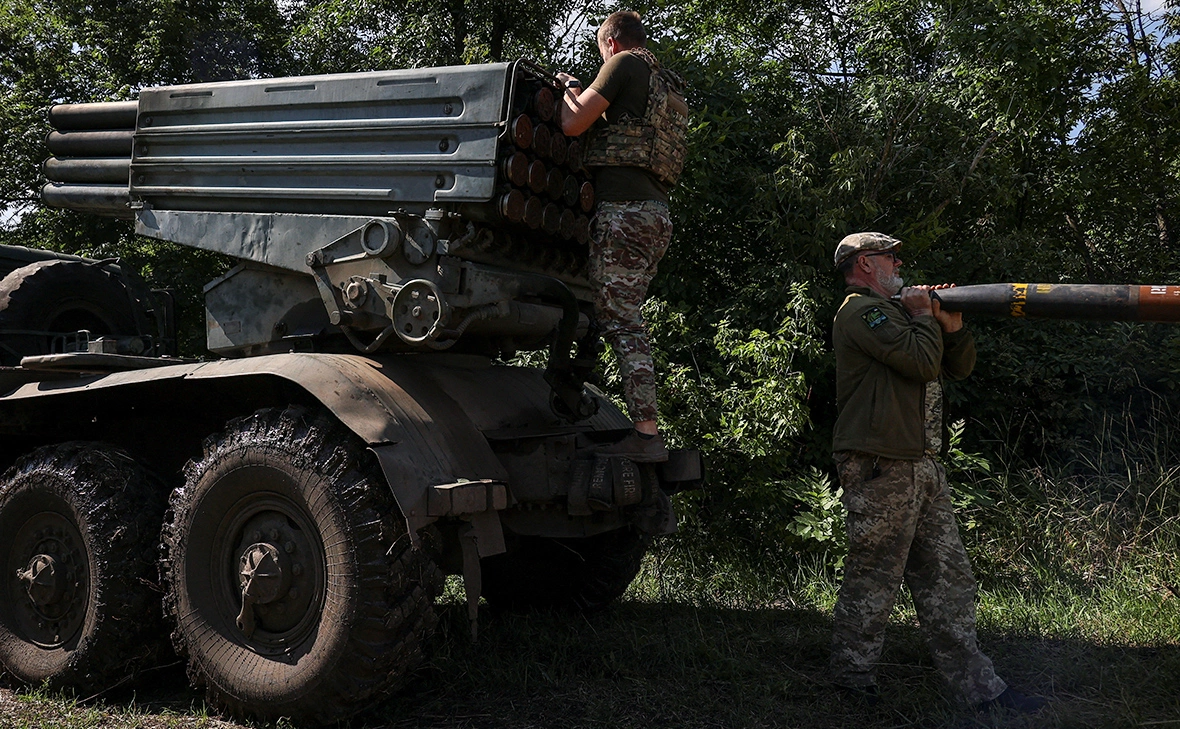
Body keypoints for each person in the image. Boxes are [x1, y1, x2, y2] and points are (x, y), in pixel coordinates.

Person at [829, 231, 1046, 713]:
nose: (899, 261)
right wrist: (925, 317)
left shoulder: (901, 315)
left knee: (949, 577)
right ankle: (851, 683)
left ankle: (979, 690)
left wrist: (951, 325)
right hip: (880, 464)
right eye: (891, 255)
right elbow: (922, 364)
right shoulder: (862, 311)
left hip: (921, 463)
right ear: (866, 264)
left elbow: (959, 366)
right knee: (875, 576)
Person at [557, 10, 688, 463]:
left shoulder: (624, 63)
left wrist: (570, 88)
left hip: (625, 214)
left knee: (621, 320)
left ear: (610, 42)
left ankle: (646, 434)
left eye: (599, 50)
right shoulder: (667, 84)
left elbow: (574, 123)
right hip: (655, 215)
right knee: (617, 314)